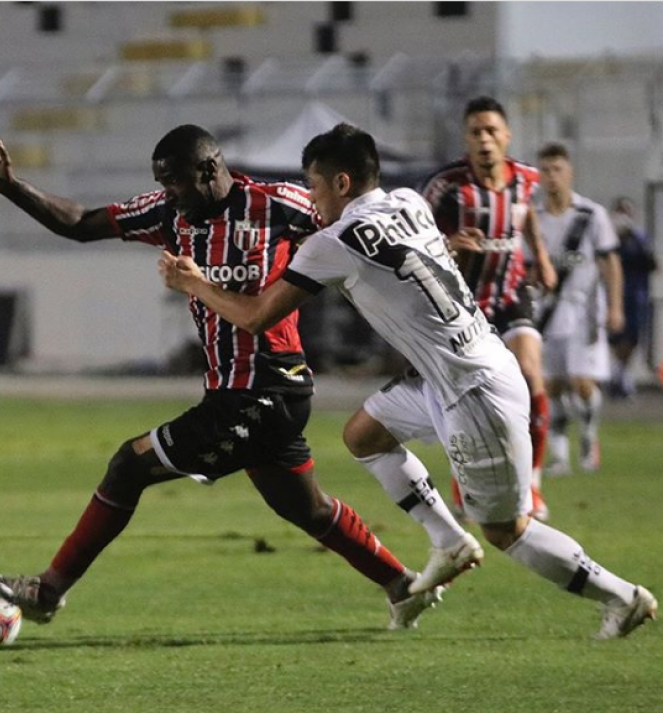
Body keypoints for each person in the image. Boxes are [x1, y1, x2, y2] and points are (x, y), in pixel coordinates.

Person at [160, 123, 657, 639]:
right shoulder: (409, 201)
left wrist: (193, 283)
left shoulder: (332, 243)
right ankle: (447, 540)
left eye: (315, 185)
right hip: (459, 369)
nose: (311, 197)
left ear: (343, 183)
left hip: (473, 390)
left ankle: (623, 598)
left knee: (508, 531)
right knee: (363, 435)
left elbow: (258, 315)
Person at [0, 126, 445, 631]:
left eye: (174, 181)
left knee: (128, 466)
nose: (168, 192)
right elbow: (81, 224)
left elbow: (353, 226)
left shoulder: (279, 205)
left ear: (209, 170)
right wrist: (12, 187)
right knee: (307, 508)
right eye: (162, 183)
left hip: (263, 389)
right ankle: (402, 585)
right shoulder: (169, 213)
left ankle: (47, 589)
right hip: (241, 396)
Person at [343, 96, 556, 522]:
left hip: (512, 292)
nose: (484, 139)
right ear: (466, 138)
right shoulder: (446, 186)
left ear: (506, 136)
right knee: (458, 396)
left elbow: (526, 215)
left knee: (532, 377)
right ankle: (469, 478)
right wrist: (451, 245)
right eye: (476, 131)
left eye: (492, 131)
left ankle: (530, 484)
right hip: (465, 302)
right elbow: (414, 235)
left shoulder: (525, 179)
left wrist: (543, 258)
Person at [535, 143, 625, 474]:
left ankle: (589, 436)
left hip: (585, 312)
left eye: (557, 169)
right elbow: (526, 265)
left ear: (569, 172)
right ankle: (559, 456)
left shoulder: (591, 215)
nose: (551, 176)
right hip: (546, 312)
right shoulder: (535, 217)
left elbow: (610, 261)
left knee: (582, 381)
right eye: (545, 170)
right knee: (551, 384)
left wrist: (615, 306)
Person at [608, 196, 657, 399]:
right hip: (613, 294)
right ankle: (619, 375)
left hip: (636, 295)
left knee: (632, 337)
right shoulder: (609, 238)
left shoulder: (640, 239)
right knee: (614, 336)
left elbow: (652, 264)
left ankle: (622, 374)